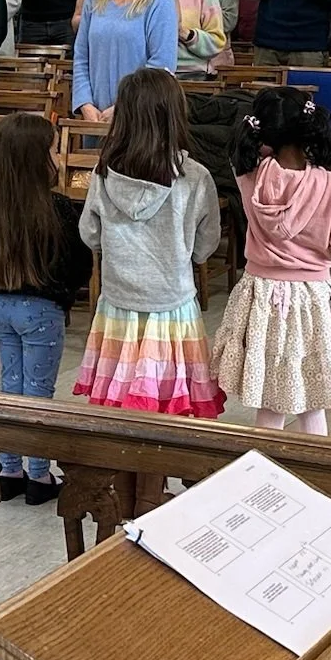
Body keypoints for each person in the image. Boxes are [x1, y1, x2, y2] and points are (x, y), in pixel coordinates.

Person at [211, 87, 331, 433]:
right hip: (311, 297)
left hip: (261, 295)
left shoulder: (249, 177)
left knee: (271, 398)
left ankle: (264, 477)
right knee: (312, 401)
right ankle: (309, 473)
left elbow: (244, 161)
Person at [74, 68, 224, 417]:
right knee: (173, 407)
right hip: (173, 306)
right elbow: (205, 247)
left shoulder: (104, 172)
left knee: (125, 408)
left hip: (118, 305)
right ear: (175, 113)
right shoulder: (195, 177)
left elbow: (90, 234)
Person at [0, 112, 90, 503]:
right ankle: (39, 476)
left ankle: (9, 468)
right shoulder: (57, 208)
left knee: (10, 389)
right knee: (38, 393)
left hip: (0, 305)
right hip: (42, 311)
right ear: (40, 158)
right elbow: (78, 263)